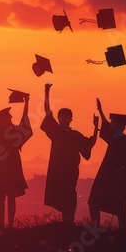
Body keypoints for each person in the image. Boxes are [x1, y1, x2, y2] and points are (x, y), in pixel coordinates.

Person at [40, 83, 98, 224]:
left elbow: (89, 144)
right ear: (59, 118)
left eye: (66, 117)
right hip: (58, 172)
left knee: (70, 196)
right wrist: (47, 91)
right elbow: (47, 111)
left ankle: (69, 222)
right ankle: (66, 222)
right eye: (61, 117)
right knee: (60, 196)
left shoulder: (75, 135)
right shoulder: (56, 132)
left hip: (71, 172)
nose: (63, 119)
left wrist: (96, 128)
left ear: (71, 119)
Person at [0, 81, 33, 228]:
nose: (10, 117)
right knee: (1, 195)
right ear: (1, 119)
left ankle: (10, 223)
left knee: (11, 196)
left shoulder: (13, 131)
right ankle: (2, 222)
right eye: (8, 116)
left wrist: (26, 103)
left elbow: (25, 120)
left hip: (12, 166)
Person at [88, 99, 126, 229]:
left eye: (112, 122)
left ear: (118, 125)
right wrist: (100, 111)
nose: (110, 124)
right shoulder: (114, 139)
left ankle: (120, 231)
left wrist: (121, 173)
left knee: (118, 209)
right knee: (94, 202)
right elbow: (105, 128)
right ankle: (96, 228)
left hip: (117, 181)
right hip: (105, 178)